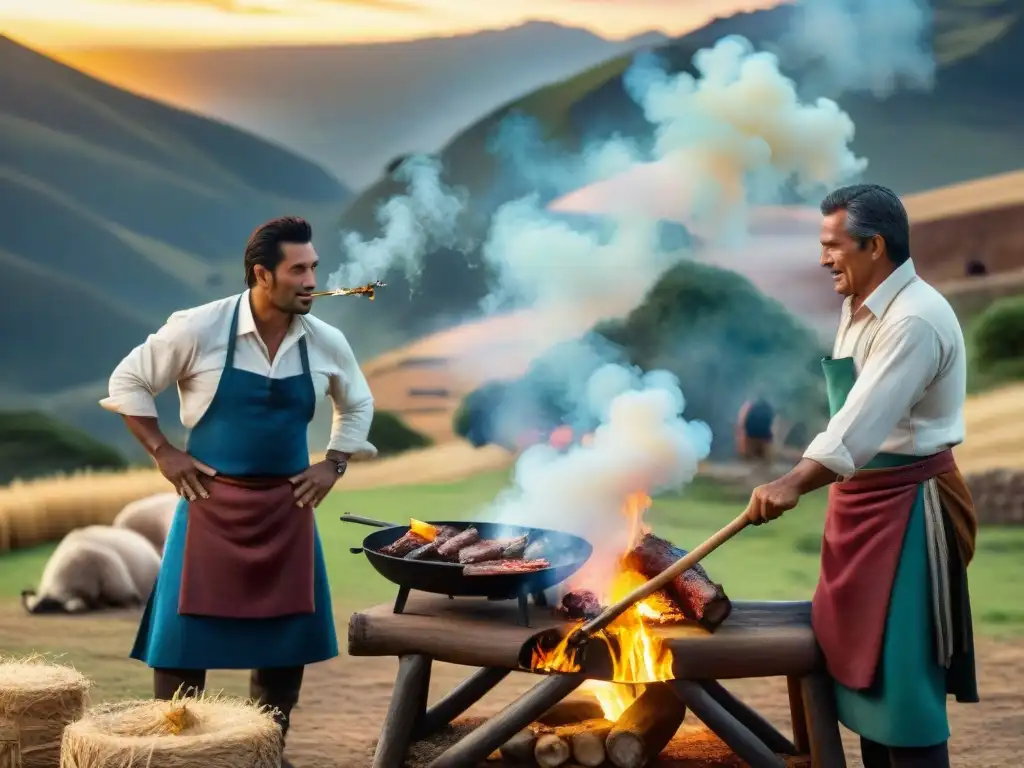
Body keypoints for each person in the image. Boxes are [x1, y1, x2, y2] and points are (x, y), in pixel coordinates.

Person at [100, 216, 376, 766]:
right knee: (183, 643)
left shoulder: (326, 341)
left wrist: (335, 462)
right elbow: (127, 382)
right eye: (298, 269)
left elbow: (358, 402)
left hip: (288, 509)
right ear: (261, 275)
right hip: (208, 505)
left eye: (314, 268)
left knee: (283, 647)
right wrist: (164, 451)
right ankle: (179, 754)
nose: (311, 279)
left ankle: (267, 755)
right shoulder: (198, 327)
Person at [744, 185, 978, 768]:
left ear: (874, 245)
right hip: (861, 508)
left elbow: (860, 424)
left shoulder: (915, 320)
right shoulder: (859, 308)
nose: (823, 259)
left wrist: (790, 483)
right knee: (866, 683)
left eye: (833, 245)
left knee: (904, 691)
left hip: (908, 514)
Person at [735, 396, 775, 463]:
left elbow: (741, 426)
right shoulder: (751, 408)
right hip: (759, 435)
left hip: (754, 434)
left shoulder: (747, 408)